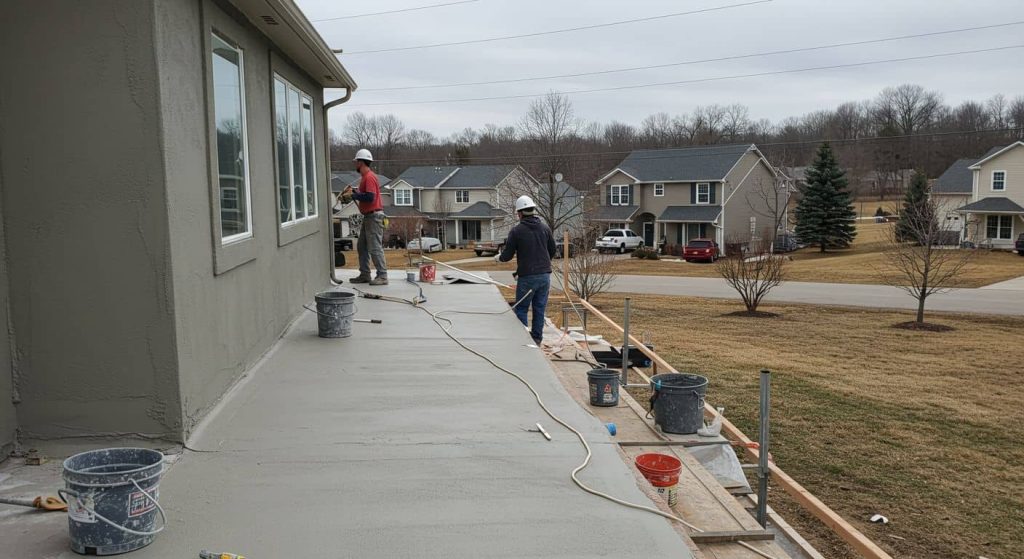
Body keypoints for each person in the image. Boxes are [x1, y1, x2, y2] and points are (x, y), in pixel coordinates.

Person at [496, 195, 556, 345]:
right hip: (544, 276)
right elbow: (553, 250)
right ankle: (536, 339)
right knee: (539, 308)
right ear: (533, 210)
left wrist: (499, 258)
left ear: (520, 213)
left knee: (522, 309)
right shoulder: (545, 228)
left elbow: (507, 255)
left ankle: (523, 341)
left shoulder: (517, 231)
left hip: (528, 278)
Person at [343, 148, 388, 285]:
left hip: (374, 217)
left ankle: (382, 276)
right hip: (369, 217)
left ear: (361, 162)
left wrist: (353, 195)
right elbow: (365, 194)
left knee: (375, 248)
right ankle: (365, 274)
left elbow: (370, 197)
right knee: (362, 246)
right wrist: (355, 192)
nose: (355, 164)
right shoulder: (365, 178)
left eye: (356, 161)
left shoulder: (369, 177)